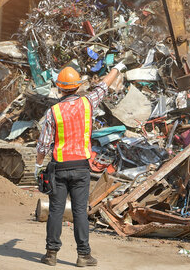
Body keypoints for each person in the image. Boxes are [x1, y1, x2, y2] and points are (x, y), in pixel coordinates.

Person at [35, 62, 126, 267]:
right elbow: (103, 86)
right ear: (78, 86)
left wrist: (38, 163)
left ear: (60, 88)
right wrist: (117, 69)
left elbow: (43, 145)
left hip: (59, 167)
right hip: (81, 167)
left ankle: (51, 254)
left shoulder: (53, 112)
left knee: (56, 211)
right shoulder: (88, 103)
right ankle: (83, 256)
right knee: (79, 211)